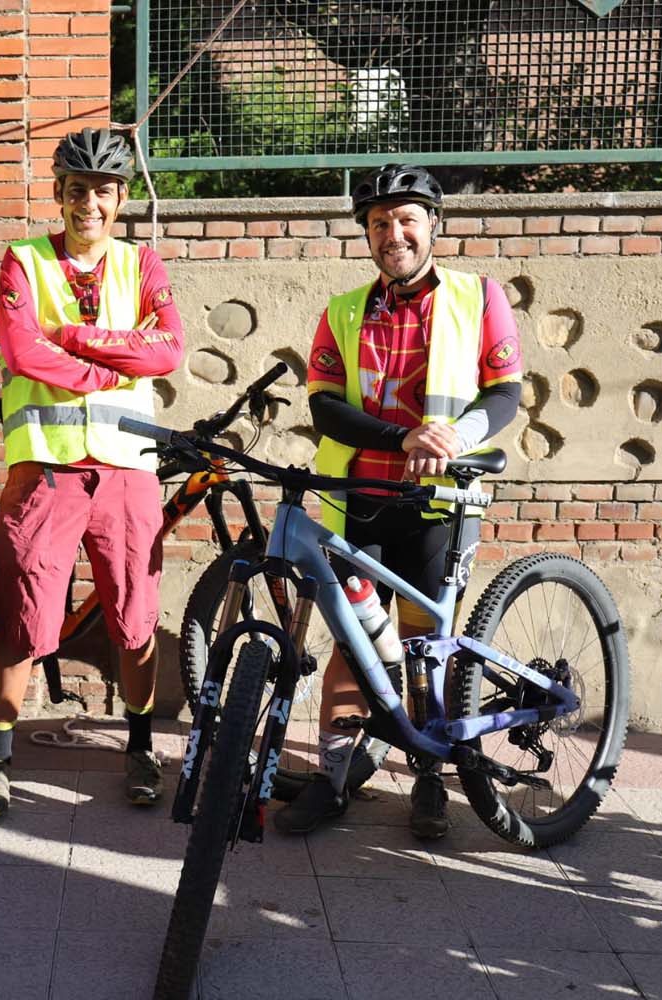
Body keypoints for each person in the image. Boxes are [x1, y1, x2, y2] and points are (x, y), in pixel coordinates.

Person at [271, 164, 523, 840]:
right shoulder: (344, 310)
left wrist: (453, 434)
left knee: (423, 644)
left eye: (407, 218)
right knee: (352, 643)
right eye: (380, 223)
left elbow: (504, 393)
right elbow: (326, 409)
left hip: (438, 505)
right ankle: (332, 780)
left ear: (433, 225)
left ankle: (429, 783)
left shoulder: (479, 297)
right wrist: (402, 435)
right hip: (361, 500)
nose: (394, 233)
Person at [0, 127, 185, 817]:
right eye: (75, 189)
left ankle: (142, 747)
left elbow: (169, 349)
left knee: (135, 616)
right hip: (48, 470)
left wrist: (74, 336)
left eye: (101, 190)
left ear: (119, 199)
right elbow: (20, 352)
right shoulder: (23, 260)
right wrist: (108, 365)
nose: (87, 202)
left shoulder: (142, 262)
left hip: (126, 470)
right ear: (58, 194)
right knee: (24, 615)